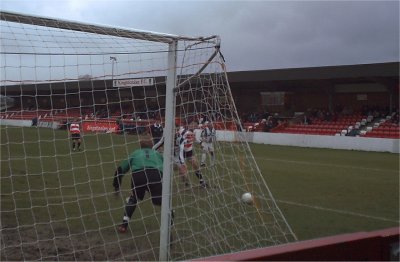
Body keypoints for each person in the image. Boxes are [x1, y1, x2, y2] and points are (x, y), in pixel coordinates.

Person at [112, 136, 165, 233]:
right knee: (161, 201)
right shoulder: (157, 154)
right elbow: (165, 169)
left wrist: (116, 186)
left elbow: (120, 170)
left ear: (140, 145)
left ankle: (124, 225)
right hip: (154, 175)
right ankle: (170, 218)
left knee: (134, 198)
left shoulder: (135, 153)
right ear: (152, 144)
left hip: (138, 176)